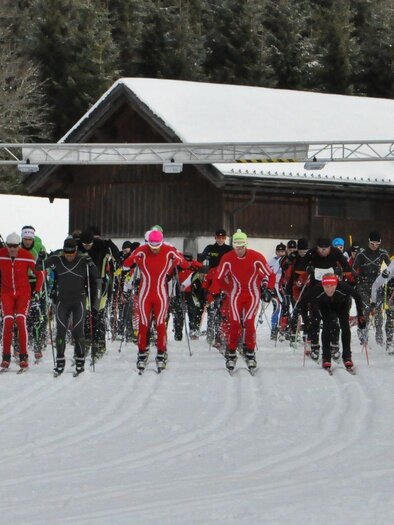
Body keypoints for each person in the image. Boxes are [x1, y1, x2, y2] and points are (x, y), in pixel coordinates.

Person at [123, 229, 190, 372]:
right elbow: (126, 263)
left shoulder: (168, 250)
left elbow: (185, 264)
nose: (154, 250)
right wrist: (134, 259)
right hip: (145, 294)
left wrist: (179, 260)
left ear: (161, 242)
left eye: (157, 246)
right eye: (152, 247)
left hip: (160, 294)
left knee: (160, 324)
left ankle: (161, 353)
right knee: (143, 324)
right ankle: (141, 353)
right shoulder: (142, 250)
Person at [211, 229, 275, 371]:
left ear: (246, 245)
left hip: (252, 294)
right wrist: (215, 293)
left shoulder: (256, 257)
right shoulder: (228, 258)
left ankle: (250, 352)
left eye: (241, 247)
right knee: (234, 323)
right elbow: (218, 276)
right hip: (236, 293)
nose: (239, 250)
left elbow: (270, 275)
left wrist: (269, 289)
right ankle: (232, 352)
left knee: (249, 322)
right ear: (233, 245)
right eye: (236, 247)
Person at [36, 238, 99, 376]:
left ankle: (80, 359)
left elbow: (95, 274)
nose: (69, 255)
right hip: (62, 301)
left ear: (76, 250)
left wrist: (91, 263)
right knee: (60, 332)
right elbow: (39, 267)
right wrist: (39, 259)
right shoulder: (58, 258)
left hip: (79, 301)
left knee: (78, 331)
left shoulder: (82, 259)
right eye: (66, 252)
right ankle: (60, 360)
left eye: (72, 253)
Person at [300, 273, 365, 370]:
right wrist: (306, 321)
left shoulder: (343, 287)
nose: (329, 289)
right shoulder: (317, 289)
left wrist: (360, 315)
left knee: (345, 326)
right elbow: (303, 303)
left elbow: (358, 297)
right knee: (327, 326)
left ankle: (347, 356)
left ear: (336, 284)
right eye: (326, 286)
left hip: (343, 304)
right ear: (322, 285)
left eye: (332, 286)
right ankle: (326, 357)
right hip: (325, 305)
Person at [0, 233, 44, 370]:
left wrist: (37, 290)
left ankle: (23, 356)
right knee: (7, 321)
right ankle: (6, 357)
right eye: (9, 246)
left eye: (15, 246)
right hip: (6, 293)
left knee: (20, 320)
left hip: (23, 293)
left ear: (19, 245)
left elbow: (39, 273)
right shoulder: (1, 254)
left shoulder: (26, 256)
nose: (12, 249)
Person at [78, 229, 112, 359]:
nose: (87, 247)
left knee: (97, 313)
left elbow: (113, 252)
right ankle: (86, 340)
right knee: (85, 313)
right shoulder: (78, 246)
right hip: (83, 283)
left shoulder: (101, 245)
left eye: (89, 244)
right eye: (85, 244)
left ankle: (99, 343)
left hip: (99, 283)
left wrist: (109, 247)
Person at [353, 231, 391, 345]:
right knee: (365, 309)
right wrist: (358, 279)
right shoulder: (362, 253)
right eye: (372, 244)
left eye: (377, 244)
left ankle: (379, 338)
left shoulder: (383, 253)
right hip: (363, 284)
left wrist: (386, 272)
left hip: (377, 283)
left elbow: (391, 267)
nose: (374, 246)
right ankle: (363, 336)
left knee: (379, 311)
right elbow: (353, 268)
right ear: (368, 241)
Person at [20, 225, 48, 361]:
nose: (27, 241)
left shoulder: (39, 248)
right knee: (21, 314)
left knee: (38, 313)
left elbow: (46, 267)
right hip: (23, 282)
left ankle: (38, 343)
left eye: (29, 239)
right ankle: (20, 343)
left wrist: (44, 260)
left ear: (33, 238)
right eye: (25, 239)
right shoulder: (17, 249)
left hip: (37, 281)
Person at [370, 260, 394, 354]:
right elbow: (375, 285)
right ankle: (390, 342)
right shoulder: (392, 266)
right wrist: (374, 301)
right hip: (392, 294)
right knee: (391, 317)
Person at [268, 242, 286, 340]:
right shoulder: (271, 261)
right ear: (276, 252)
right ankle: (274, 329)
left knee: (285, 308)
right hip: (274, 287)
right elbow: (267, 273)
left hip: (283, 287)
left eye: (282, 251)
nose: (280, 253)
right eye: (279, 251)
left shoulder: (286, 261)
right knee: (276, 307)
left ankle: (282, 328)